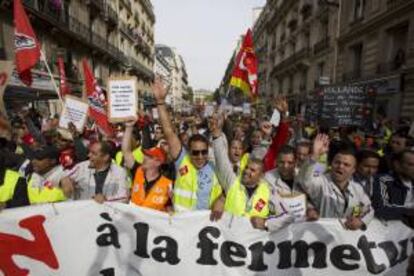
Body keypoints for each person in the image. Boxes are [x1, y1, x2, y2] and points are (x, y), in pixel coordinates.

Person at [210, 114, 293, 231]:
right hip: (230, 241)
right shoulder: (232, 183)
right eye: (247, 168)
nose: (247, 171)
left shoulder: (268, 191)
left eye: (253, 170)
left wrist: (266, 223)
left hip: (255, 244)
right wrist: (216, 135)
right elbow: (222, 161)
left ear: (261, 176)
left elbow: (288, 216)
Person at [152, 78, 222, 212]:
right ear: (189, 151)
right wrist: (160, 102)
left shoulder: (216, 168)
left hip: (203, 227)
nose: (200, 156)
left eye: (204, 152)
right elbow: (169, 132)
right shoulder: (182, 160)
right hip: (180, 224)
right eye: (195, 152)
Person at [298, 134, 374, 230]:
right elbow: (305, 179)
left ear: (353, 170)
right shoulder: (321, 182)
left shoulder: (357, 189)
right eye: (337, 162)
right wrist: (315, 155)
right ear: (331, 164)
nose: (340, 166)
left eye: (346, 165)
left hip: (343, 239)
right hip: (319, 237)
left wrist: (361, 221)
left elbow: (369, 209)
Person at [122, 120, 173, 212]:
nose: (144, 157)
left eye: (149, 156)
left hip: (152, 225)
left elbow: (170, 210)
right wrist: (129, 127)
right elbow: (126, 152)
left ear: (158, 162)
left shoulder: (168, 183)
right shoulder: (138, 171)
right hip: (133, 222)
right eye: (145, 155)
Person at [62, 140, 129, 203]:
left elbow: (124, 197)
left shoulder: (119, 172)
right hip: (82, 212)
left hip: (107, 213)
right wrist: (63, 180)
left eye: (94, 153)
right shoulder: (81, 167)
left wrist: (106, 199)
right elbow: (57, 176)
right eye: (89, 152)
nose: (89, 155)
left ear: (105, 157)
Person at [0, 146, 67, 208]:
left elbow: (64, 194)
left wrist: (64, 177)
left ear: (53, 161)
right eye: (34, 158)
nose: (34, 161)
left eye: (39, 158)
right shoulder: (35, 174)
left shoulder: (63, 174)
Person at [372, 150, 414, 223]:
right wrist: (410, 211)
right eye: (411, 164)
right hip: (387, 227)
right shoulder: (383, 180)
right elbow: (381, 209)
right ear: (397, 164)